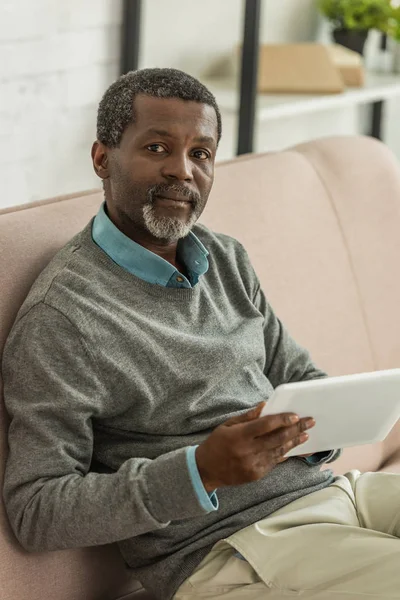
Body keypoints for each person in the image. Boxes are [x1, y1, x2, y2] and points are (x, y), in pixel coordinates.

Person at [2, 68, 400, 600]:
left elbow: (300, 375)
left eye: (201, 154)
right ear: (103, 158)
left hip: (335, 493)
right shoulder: (64, 319)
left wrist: (315, 429)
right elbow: (36, 510)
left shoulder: (226, 258)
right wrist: (201, 471)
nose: (182, 172)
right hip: (230, 549)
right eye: (158, 147)